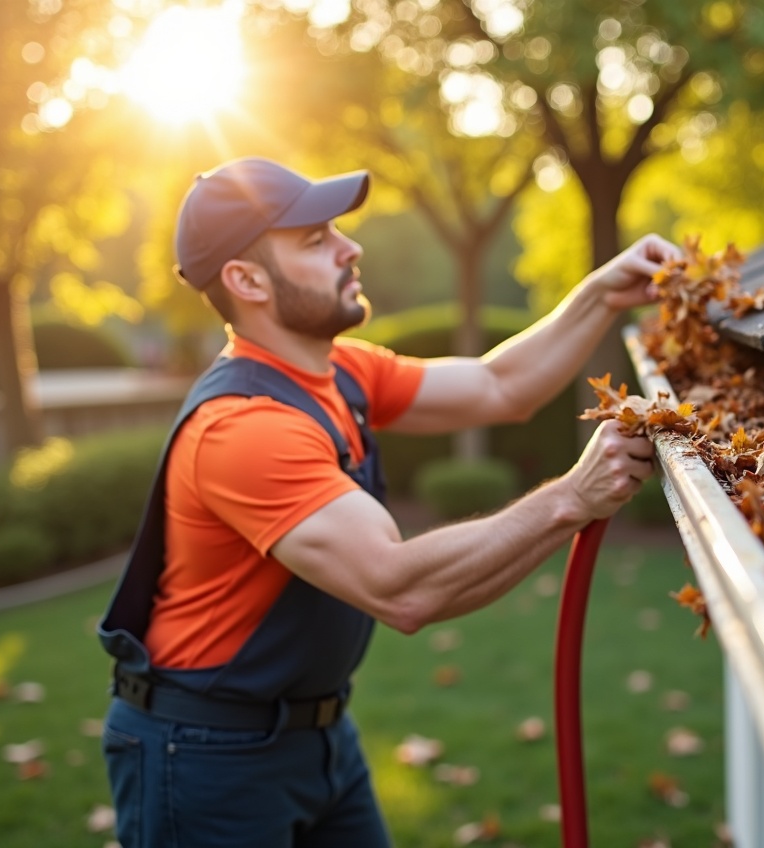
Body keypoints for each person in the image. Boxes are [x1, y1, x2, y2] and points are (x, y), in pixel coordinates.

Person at [97, 157, 680, 847]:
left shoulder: (339, 368)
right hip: (202, 756)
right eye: (315, 240)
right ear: (246, 280)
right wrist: (573, 496)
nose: (350, 248)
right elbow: (399, 586)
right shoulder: (243, 429)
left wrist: (602, 293)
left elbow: (500, 386)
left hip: (318, 734)